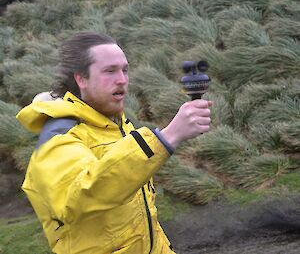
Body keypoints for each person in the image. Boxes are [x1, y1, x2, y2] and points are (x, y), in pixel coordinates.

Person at [16, 32, 212, 254]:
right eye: (110, 71)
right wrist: (166, 138)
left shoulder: (118, 126)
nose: (122, 79)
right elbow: (80, 197)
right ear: (81, 79)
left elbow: (140, 222)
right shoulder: (59, 135)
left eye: (124, 70)